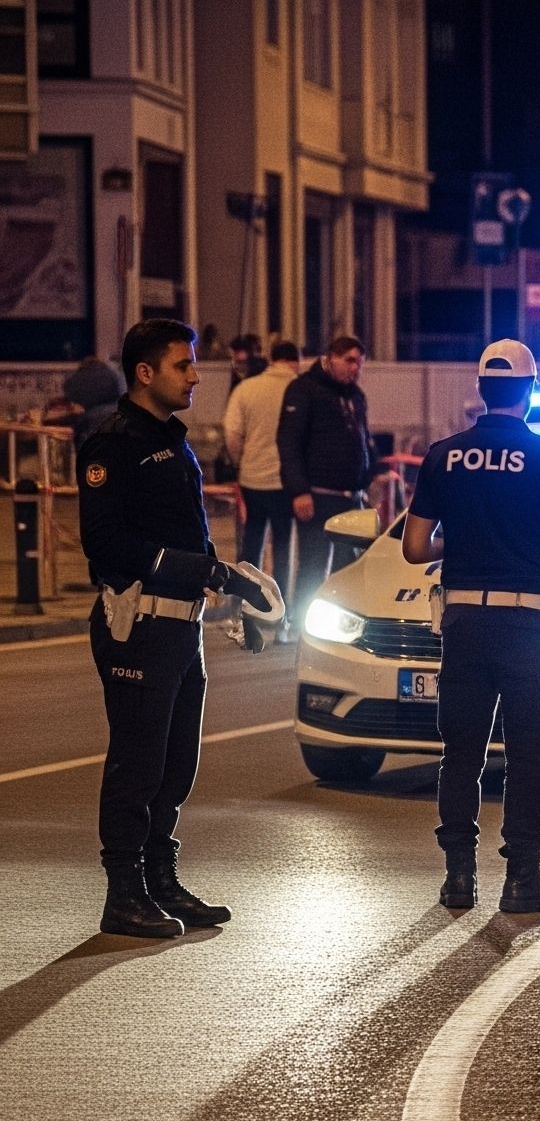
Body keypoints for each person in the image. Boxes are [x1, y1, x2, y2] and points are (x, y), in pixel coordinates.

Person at [77, 320, 272, 939]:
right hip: (137, 625)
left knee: (175, 763)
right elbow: (106, 543)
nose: (194, 375)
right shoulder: (114, 443)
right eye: (182, 365)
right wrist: (205, 568)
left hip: (181, 630)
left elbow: (188, 533)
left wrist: (228, 592)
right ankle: (124, 896)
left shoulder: (173, 439)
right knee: (136, 765)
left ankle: (162, 881)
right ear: (145, 373)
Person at [403, 340, 540, 916]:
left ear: (481, 390)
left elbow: (413, 547)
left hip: (462, 620)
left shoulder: (442, 454)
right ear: (528, 391)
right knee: (529, 752)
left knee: (461, 752)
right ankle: (521, 880)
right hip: (525, 623)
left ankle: (458, 879)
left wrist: (464, 538)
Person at [278, 333, 374, 623]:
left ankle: (340, 625)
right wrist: (299, 491)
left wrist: (372, 474)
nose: (355, 368)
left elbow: (363, 441)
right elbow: (289, 442)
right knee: (313, 564)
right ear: (331, 358)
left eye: (360, 363)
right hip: (318, 497)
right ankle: (299, 625)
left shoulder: (355, 396)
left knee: (349, 568)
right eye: (350, 361)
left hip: (352, 498)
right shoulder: (303, 389)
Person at [221, 338, 301, 577]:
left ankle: (248, 596)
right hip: (286, 480)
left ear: (272, 359)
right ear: (294, 362)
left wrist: (241, 460)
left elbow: (231, 430)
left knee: (252, 538)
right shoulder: (300, 388)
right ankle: (280, 601)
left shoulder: (246, 388)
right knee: (283, 543)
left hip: (252, 477)